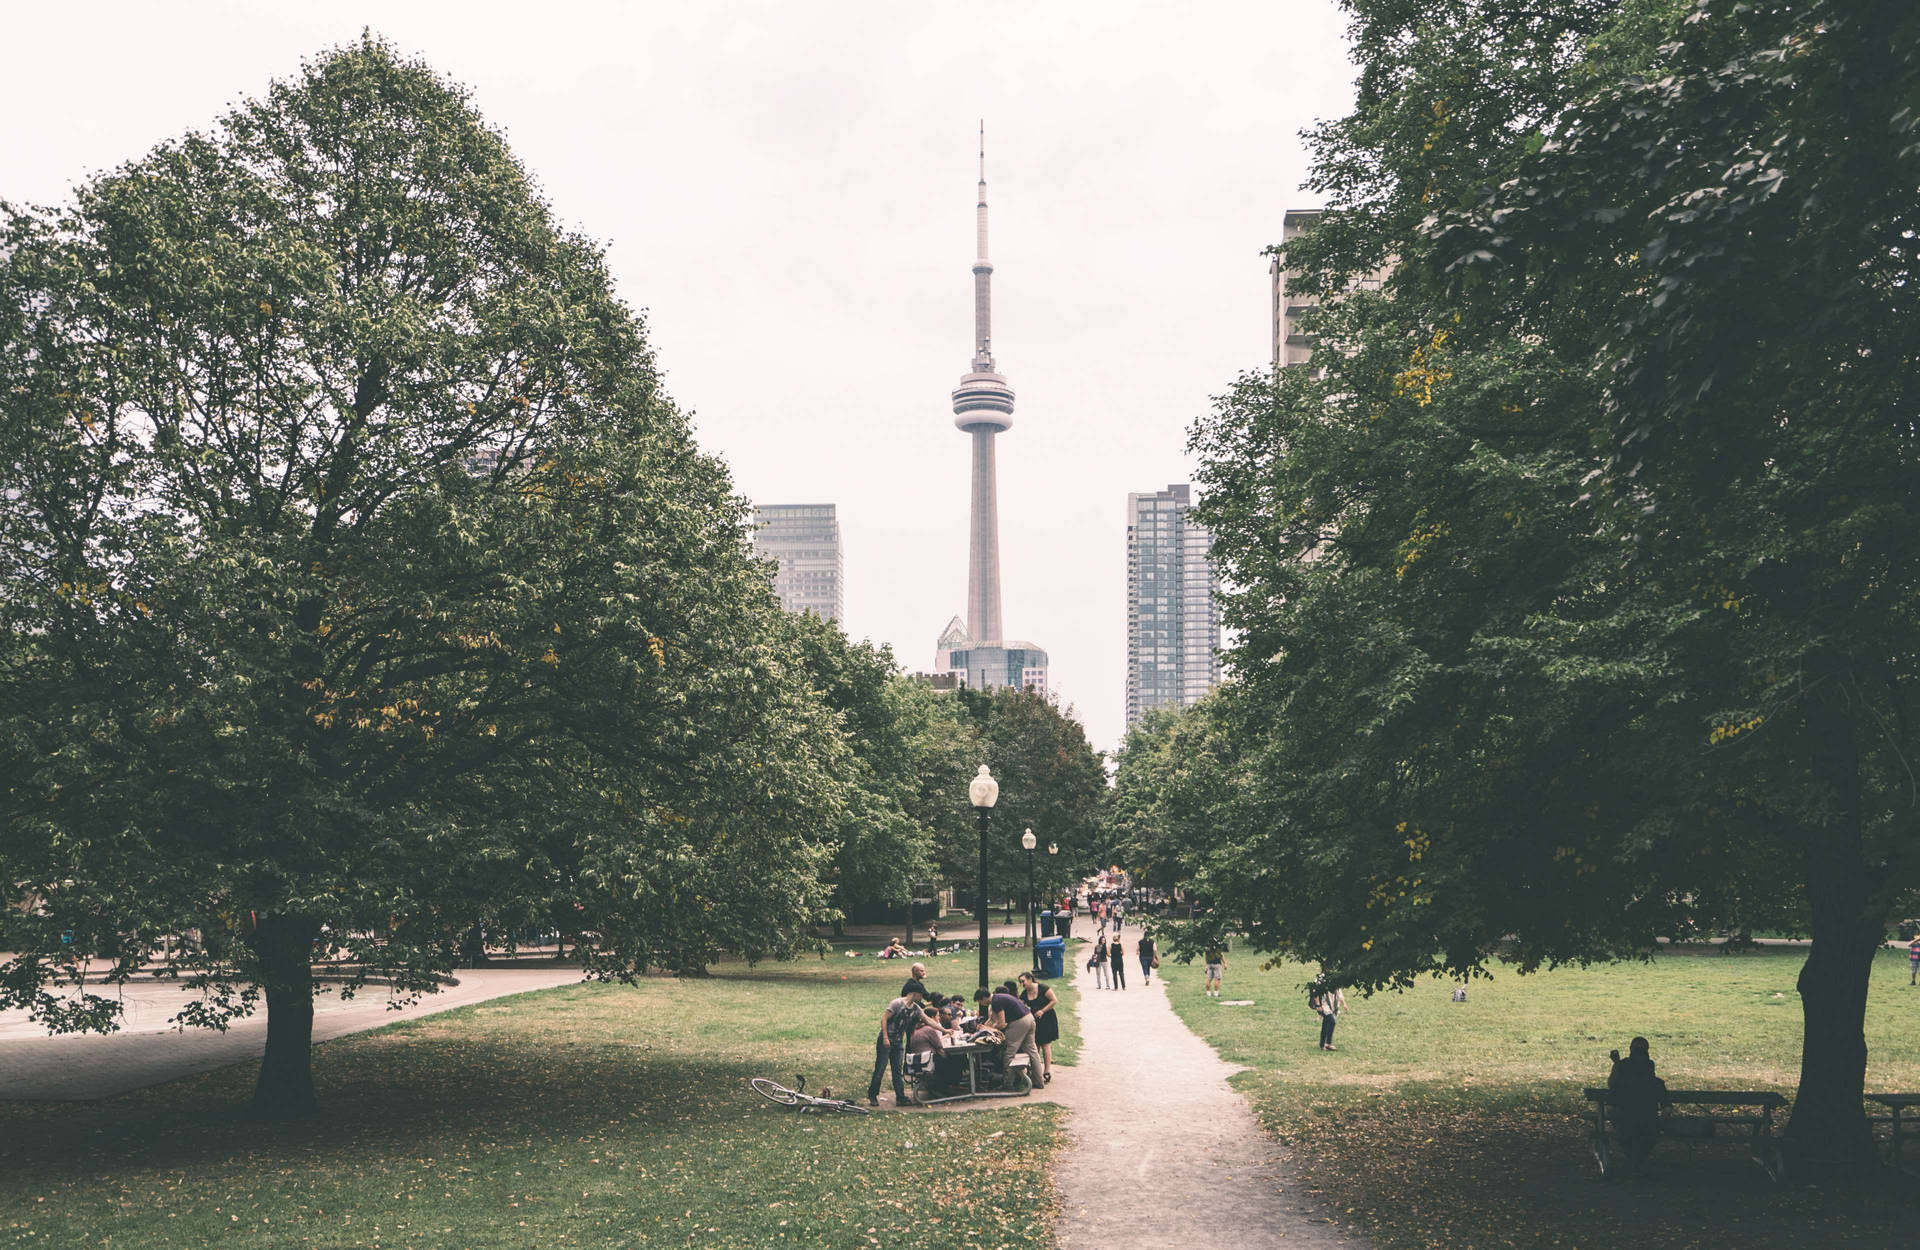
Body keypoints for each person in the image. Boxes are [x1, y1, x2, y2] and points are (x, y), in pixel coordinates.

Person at [1607, 1037, 1669, 1174]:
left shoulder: (1625, 1079)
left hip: (1632, 1118)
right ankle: (1636, 1163)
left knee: (1629, 1133)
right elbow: (1665, 1102)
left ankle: (1634, 1163)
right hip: (1643, 1119)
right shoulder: (1652, 1081)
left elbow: (1613, 1088)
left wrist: (1617, 1065)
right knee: (1642, 1135)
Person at [869, 982, 928, 1107]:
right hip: (886, 1040)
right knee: (880, 1068)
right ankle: (872, 1095)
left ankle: (900, 1097)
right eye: (921, 995)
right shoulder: (897, 1003)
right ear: (915, 994)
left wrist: (945, 1030)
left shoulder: (916, 1008)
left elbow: (928, 1020)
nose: (922, 998)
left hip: (898, 1042)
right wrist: (885, 1038)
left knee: (897, 1071)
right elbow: (884, 1018)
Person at [975, 986, 1042, 1091]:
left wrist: (988, 1030)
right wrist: (983, 1028)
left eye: (980, 1001)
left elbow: (1002, 1024)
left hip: (1019, 1022)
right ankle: (1039, 1081)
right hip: (1029, 1018)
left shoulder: (996, 1002)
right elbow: (992, 1019)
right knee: (1032, 1050)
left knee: (1008, 1052)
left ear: (984, 998)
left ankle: (1008, 1084)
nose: (980, 1004)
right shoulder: (998, 998)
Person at [1018, 970, 1060, 1084]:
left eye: (1023, 981)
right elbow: (1020, 1005)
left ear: (1030, 979)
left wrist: (1042, 1011)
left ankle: (1047, 1071)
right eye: (1020, 982)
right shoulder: (1024, 993)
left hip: (1047, 1019)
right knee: (1035, 1045)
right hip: (1035, 1021)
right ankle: (1036, 1071)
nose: (1022, 984)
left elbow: (1054, 1000)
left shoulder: (1043, 988)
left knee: (1045, 1045)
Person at [1310, 981, 1346, 1050]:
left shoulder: (1335, 977)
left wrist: (1344, 1003)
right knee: (1332, 1021)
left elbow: (1339, 992)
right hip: (1323, 1004)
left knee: (1326, 1023)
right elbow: (1316, 992)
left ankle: (1322, 1044)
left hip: (1331, 1003)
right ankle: (1328, 1043)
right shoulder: (1321, 979)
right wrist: (1318, 1005)